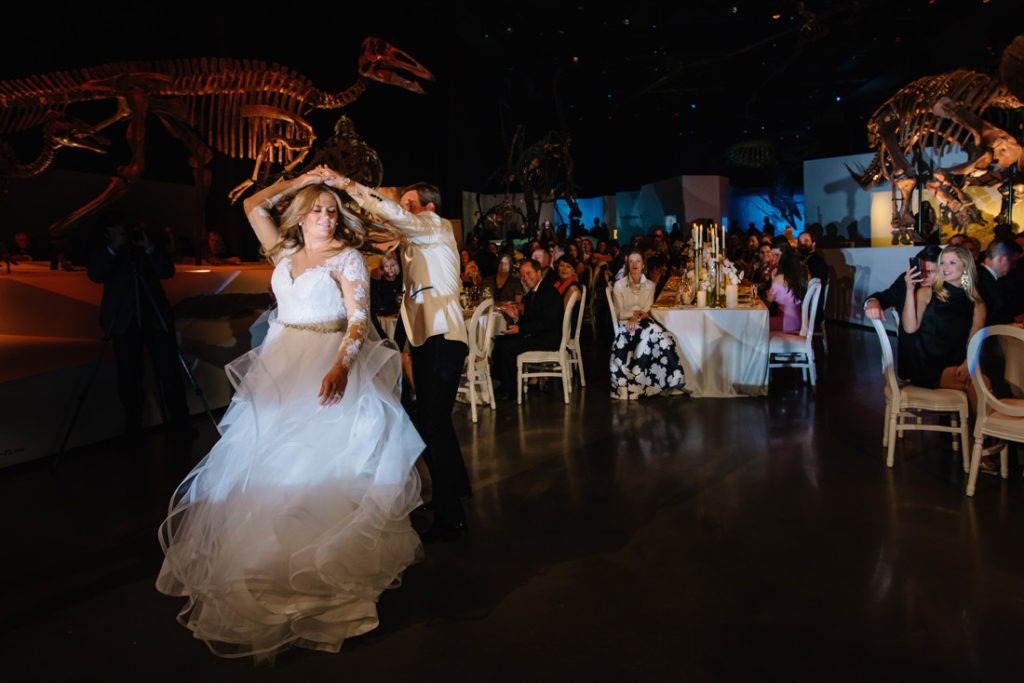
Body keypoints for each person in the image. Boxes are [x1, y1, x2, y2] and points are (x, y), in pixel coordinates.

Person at [156, 170, 425, 660]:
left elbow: (360, 320)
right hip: (280, 366)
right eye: (315, 209)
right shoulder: (282, 252)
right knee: (265, 465)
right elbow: (252, 206)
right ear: (300, 216)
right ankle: (264, 573)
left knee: (319, 469)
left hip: (326, 359)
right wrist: (309, 178)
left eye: (329, 209)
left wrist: (341, 367)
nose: (324, 216)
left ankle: (324, 580)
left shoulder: (347, 259)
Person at [334, 170, 472, 544]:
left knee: (432, 422)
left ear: (427, 207)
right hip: (428, 337)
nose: (402, 210)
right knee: (434, 420)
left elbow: (394, 219)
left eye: (409, 204)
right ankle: (456, 488)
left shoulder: (435, 225)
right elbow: (380, 232)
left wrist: (349, 186)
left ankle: (450, 515)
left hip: (443, 335)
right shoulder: (414, 237)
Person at [87, 211, 191, 438]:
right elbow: (96, 274)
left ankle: (180, 421)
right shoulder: (105, 250)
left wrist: (150, 248)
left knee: (169, 371)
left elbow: (167, 271)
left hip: (154, 316)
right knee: (129, 375)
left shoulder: (143, 245)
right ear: (108, 232)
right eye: (118, 228)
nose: (124, 232)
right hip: (124, 320)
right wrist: (114, 249)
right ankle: (133, 426)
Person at [609, 248, 686, 400]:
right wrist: (632, 316)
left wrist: (634, 315)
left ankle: (668, 379)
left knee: (660, 333)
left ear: (643, 265)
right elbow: (619, 313)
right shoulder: (619, 285)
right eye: (631, 261)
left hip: (643, 323)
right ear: (627, 265)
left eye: (638, 261)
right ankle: (655, 380)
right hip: (626, 326)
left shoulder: (650, 285)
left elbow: (647, 310)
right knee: (655, 332)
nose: (634, 264)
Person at [491, 258, 563, 401]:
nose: (525, 278)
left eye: (528, 273)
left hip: (548, 339)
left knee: (505, 346)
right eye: (523, 275)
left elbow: (547, 323)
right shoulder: (532, 294)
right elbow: (532, 320)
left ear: (538, 272)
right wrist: (517, 318)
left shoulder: (549, 291)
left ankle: (510, 390)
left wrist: (520, 329)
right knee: (499, 342)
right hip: (538, 335)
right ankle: (506, 384)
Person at [864, 244, 942, 322]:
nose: (924, 276)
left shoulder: (948, 288)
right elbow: (886, 297)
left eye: (930, 272)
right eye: (921, 271)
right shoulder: (907, 279)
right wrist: (872, 302)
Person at [766, 239, 809, 332]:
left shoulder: (780, 277)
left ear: (785, 256)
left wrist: (773, 280)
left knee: (753, 324)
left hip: (787, 323)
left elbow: (768, 302)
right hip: (798, 321)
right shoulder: (799, 273)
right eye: (772, 255)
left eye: (776, 255)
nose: (773, 259)